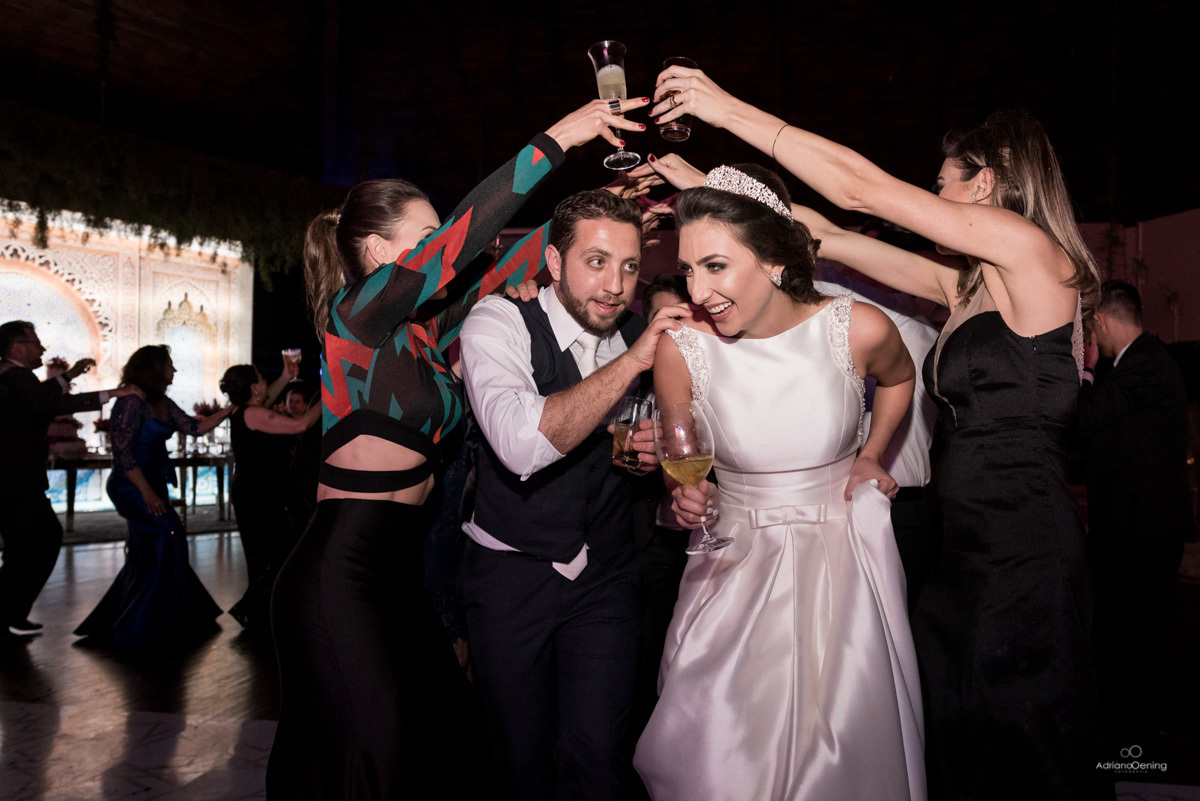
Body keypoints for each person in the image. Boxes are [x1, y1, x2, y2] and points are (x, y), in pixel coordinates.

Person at [648, 67, 1103, 798]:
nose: (933, 197)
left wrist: (726, 108)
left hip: (1026, 543)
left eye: (943, 183)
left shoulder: (1031, 254)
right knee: (960, 728)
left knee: (1024, 734)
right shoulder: (971, 286)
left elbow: (858, 189)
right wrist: (707, 184)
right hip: (967, 545)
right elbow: (819, 234)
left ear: (983, 184)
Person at [266, 97, 650, 801]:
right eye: (426, 237)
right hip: (337, 573)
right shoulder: (356, 323)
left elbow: (531, 256)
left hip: (399, 573)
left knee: (442, 737)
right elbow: (469, 242)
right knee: (374, 749)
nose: (445, 246)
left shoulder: (427, 337)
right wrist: (557, 140)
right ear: (381, 254)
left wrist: (615, 209)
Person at [630, 163, 921, 800]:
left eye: (716, 266)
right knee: (720, 756)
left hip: (841, 564)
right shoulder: (682, 349)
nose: (697, 289)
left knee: (841, 753)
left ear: (774, 261)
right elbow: (686, 460)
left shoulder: (859, 328)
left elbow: (901, 379)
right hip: (734, 567)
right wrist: (683, 496)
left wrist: (874, 455)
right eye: (688, 269)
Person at [457, 189, 685, 801]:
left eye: (630, 266)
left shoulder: (637, 332)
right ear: (554, 263)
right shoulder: (499, 322)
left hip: (607, 578)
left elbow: (651, 449)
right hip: (510, 578)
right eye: (596, 261)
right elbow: (520, 446)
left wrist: (642, 459)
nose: (615, 284)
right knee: (519, 761)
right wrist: (635, 360)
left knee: (601, 758)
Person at [1078, 280, 1194, 743]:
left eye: (1092, 330)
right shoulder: (1141, 362)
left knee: (1137, 634)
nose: (1093, 341)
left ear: (1102, 320)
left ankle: (1138, 734)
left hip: (1142, 529)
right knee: (1137, 631)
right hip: (1139, 525)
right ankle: (1140, 725)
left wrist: (1085, 371)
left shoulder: (1143, 364)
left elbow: (1086, 421)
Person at [74, 345, 231, 647]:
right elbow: (123, 455)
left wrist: (228, 410)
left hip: (152, 483)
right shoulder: (131, 403)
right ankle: (142, 623)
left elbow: (194, 428)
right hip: (131, 485)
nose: (174, 371)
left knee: (149, 550)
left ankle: (154, 615)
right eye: (170, 365)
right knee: (167, 537)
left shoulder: (162, 402)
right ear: (155, 369)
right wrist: (146, 493)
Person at [0, 321, 136, 641]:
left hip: (15, 481)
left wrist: (72, 374)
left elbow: (42, 395)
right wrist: (113, 393)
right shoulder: (16, 377)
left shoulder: (15, 377)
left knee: (25, 547)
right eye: (36, 342)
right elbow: (49, 403)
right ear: (18, 347)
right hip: (15, 481)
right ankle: (6, 614)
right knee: (39, 541)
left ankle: (9, 614)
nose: (43, 349)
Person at [219, 362, 321, 630]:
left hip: (256, 493)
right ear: (254, 387)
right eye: (262, 378)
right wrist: (328, 396)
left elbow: (268, 396)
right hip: (257, 497)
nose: (266, 382)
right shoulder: (253, 414)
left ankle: (262, 612)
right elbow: (301, 424)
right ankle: (264, 616)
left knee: (270, 554)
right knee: (273, 554)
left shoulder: (246, 411)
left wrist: (286, 375)